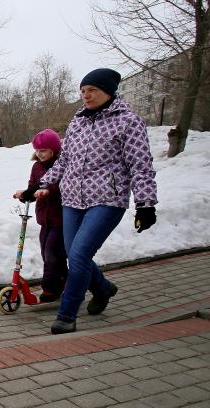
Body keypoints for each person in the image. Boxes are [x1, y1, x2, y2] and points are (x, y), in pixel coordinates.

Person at [34, 68, 158, 334]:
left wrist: (146, 204)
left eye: (92, 90)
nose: (86, 96)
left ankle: (67, 314)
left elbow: (140, 165)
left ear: (109, 91)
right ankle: (103, 288)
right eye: (83, 91)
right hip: (71, 200)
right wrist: (40, 184)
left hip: (107, 199)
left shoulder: (128, 122)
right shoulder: (77, 121)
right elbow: (64, 162)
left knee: (79, 255)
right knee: (73, 254)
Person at [13, 129, 67, 303]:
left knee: (52, 251)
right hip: (45, 219)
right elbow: (32, 186)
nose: (39, 154)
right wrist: (25, 195)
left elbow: (60, 185)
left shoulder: (61, 164)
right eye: (37, 150)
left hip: (61, 218)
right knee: (47, 253)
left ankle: (51, 288)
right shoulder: (36, 167)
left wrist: (47, 191)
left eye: (43, 150)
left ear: (53, 149)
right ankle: (65, 280)